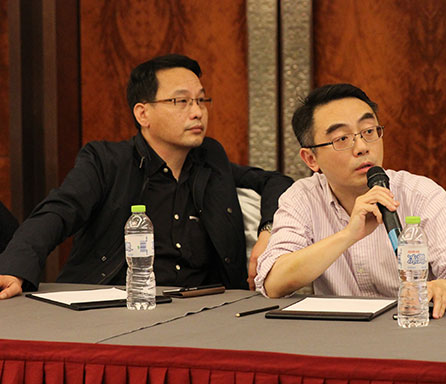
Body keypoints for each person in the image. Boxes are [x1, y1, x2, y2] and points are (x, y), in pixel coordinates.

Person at [0, 54, 293, 300]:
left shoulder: (210, 159)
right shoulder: (106, 162)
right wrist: (14, 269)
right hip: (118, 306)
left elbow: (275, 182)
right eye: (181, 101)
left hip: (205, 310)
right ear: (143, 114)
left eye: (201, 100)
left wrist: (268, 232)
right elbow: (58, 212)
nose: (197, 112)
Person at [255, 83, 446, 318]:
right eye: (342, 138)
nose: (362, 147)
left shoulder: (420, 194)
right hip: (338, 332)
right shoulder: (302, 198)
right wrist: (348, 235)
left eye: (369, 132)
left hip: (412, 325)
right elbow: (274, 283)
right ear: (311, 159)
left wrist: (444, 287)